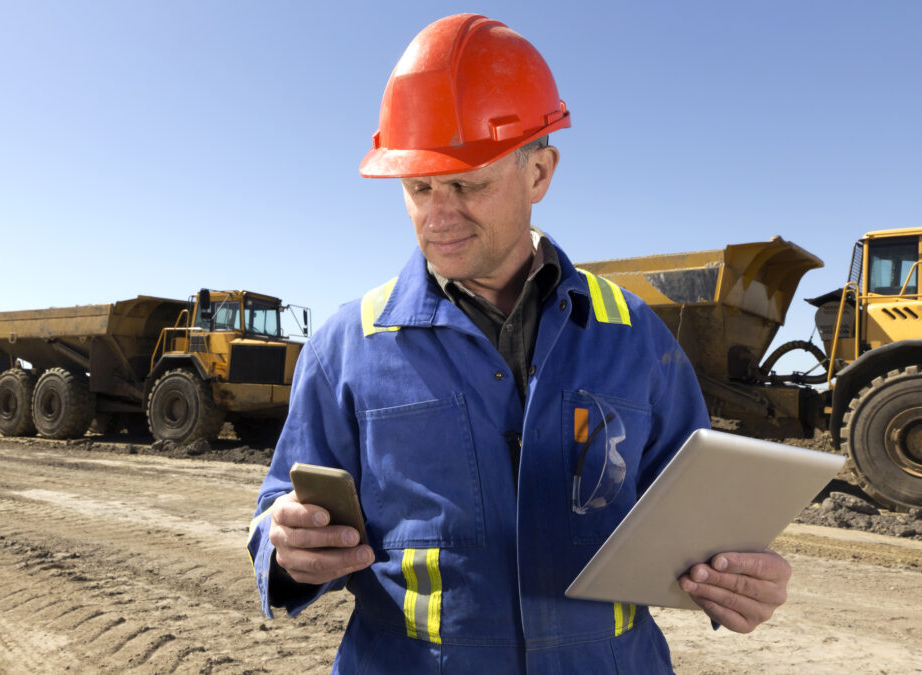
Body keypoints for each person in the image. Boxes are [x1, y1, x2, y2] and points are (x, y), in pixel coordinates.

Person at [248, 13, 791, 673]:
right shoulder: (347, 345)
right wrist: (285, 546)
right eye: (418, 188)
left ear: (539, 173)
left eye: (468, 185)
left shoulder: (634, 336)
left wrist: (741, 576)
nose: (438, 214)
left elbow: (705, 525)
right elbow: (279, 511)